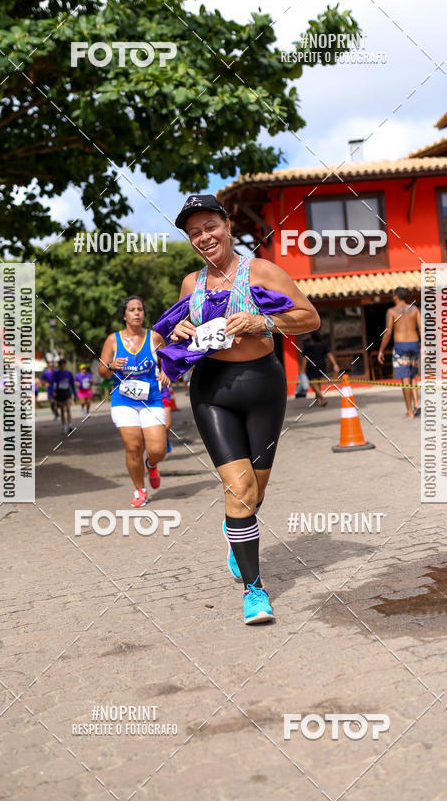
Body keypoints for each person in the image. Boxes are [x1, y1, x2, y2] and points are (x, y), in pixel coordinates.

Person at [153, 194, 319, 626]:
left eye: (210, 226)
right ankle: (254, 590)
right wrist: (180, 330)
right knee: (240, 489)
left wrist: (262, 322)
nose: (203, 237)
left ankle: (235, 534)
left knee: (255, 492)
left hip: (264, 386)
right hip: (212, 391)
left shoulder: (261, 271)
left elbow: (309, 317)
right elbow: (180, 334)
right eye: (194, 233)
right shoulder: (191, 283)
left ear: (226, 225)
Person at [99, 296, 171, 507]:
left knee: (158, 450)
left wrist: (166, 372)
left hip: (151, 399)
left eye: (140, 309)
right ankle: (140, 490)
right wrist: (112, 365)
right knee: (133, 448)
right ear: (124, 315)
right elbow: (102, 370)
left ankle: (151, 464)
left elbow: (168, 360)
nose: (137, 313)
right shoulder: (113, 340)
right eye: (132, 310)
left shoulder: (155, 338)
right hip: (123, 401)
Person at [377, 287, 422, 418]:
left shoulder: (391, 312)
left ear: (396, 296)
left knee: (405, 378)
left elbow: (388, 333)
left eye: (393, 295)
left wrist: (381, 350)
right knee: (413, 375)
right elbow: (422, 329)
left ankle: (409, 411)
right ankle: (416, 403)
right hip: (414, 344)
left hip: (401, 346)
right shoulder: (414, 309)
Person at [299, 330, 340, 406]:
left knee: (312, 383)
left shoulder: (308, 346)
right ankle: (317, 400)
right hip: (321, 365)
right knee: (318, 382)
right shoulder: (324, 345)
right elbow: (329, 355)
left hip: (311, 366)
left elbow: (305, 358)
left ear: (312, 338)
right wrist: (335, 364)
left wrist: (302, 369)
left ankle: (322, 398)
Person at [54, 358, 76, 434]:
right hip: (59, 393)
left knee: (68, 409)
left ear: (65, 365)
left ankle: (70, 425)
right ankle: (64, 426)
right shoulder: (56, 374)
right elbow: (54, 384)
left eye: (63, 364)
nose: (62, 366)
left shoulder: (69, 373)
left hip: (67, 392)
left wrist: (74, 394)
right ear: (59, 365)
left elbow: (72, 384)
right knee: (62, 410)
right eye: (60, 364)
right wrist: (53, 392)